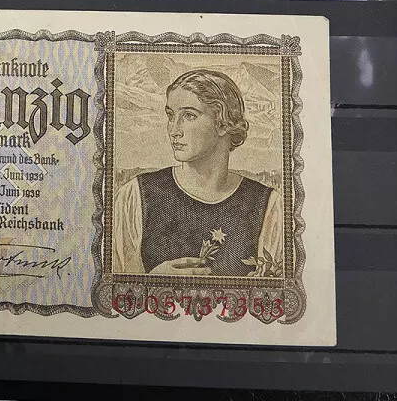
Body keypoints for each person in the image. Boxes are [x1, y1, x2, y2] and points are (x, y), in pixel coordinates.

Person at [112, 67, 283, 276]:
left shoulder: (268, 206)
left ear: (223, 124)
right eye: (171, 116)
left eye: (189, 115)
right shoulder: (136, 196)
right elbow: (116, 284)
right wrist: (153, 281)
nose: (174, 130)